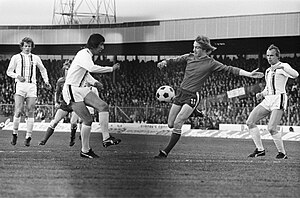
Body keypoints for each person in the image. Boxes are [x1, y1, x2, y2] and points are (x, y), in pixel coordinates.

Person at [154, 35, 264, 158]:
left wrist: (249, 74)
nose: (194, 50)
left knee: (178, 122)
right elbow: (176, 60)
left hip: (192, 95)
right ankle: (194, 111)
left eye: (197, 48)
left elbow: (230, 69)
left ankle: (165, 152)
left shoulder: (210, 63)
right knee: (170, 124)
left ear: (204, 49)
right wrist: (165, 62)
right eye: (194, 47)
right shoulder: (190, 57)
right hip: (180, 93)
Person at [62, 33, 121, 158]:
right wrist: (111, 69)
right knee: (88, 120)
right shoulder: (84, 54)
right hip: (72, 89)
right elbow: (91, 68)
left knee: (103, 106)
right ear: (94, 44)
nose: (102, 48)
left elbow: (85, 72)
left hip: (80, 88)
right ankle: (85, 150)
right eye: (101, 44)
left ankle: (106, 138)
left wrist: (94, 82)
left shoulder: (87, 54)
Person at [246, 44, 299, 159]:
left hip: (278, 99)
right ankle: (260, 150)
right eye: (268, 55)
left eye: (271, 55)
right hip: (268, 99)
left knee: (271, 128)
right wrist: (262, 94)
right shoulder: (268, 70)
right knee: (250, 122)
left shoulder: (283, 66)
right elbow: (268, 88)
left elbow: (295, 74)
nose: (269, 58)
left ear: (277, 56)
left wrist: (283, 68)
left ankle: (282, 153)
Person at [6, 37, 51, 146]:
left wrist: (46, 81)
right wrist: (17, 76)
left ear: (32, 47)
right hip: (20, 85)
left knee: (30, 110)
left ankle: (28, 136)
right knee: (18, 110)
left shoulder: (35, 58)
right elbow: (9, 71)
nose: (27, 48)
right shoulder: (16, 57)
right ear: (22, 46)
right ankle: (14, 134)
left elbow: (43, 69)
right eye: (25, 46)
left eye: (29, 46)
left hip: (32, 86)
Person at [38, 61, 81, 146]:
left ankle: (72, 138)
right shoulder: (60, 81)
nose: (67, 71)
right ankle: (44, 140)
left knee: (73, 122)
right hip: (65, 104)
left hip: (75, 103)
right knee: (54, 121)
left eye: (68, 69)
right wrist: (56, 102)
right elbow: (57, 93)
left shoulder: (77, 80)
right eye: (65, 69)